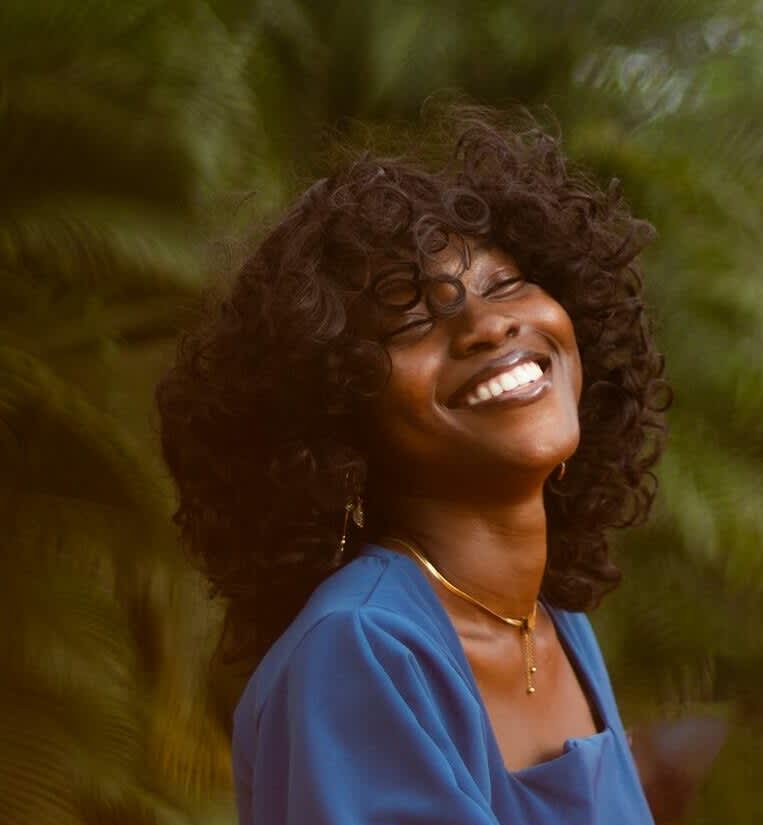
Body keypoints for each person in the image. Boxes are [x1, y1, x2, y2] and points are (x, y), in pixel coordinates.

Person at [155, 105, 672, 824]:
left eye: (506, 284)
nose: (489, 325)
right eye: (414, 320)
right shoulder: (360, 650)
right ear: (336, 415)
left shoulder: (552, 622)